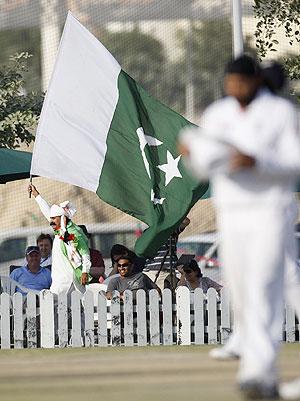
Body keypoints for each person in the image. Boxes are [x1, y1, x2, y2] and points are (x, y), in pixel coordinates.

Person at [179, 55, 300, 399]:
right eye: (230, 81)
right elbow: (205, 167)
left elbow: (295, 161)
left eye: (241, 82)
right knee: (242, 291)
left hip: (269, 211)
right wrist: (190, 153)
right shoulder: (218, 114)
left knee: (264, 286)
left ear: (255, 81)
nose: (235, 88)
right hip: (231, 213)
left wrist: (258, 162)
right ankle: (259, 370)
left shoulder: (280, 112)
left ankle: (258, 371)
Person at [28, 183, 91, 296]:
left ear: (62, 218)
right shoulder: (59, 230)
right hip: (59, 277)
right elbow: (47, 212)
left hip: (70, 278)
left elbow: (85, 253)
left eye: (54, 218)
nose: (51, 221)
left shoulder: (74, 232)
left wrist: (85, 271)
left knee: (76, 304)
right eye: (51, 218)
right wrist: (36, 195)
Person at [143, 217, 190, 291]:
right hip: (153, 271)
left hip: (169, 272)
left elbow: (186, 221)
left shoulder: (171, 230)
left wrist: (174, 213)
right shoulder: (148, 232)